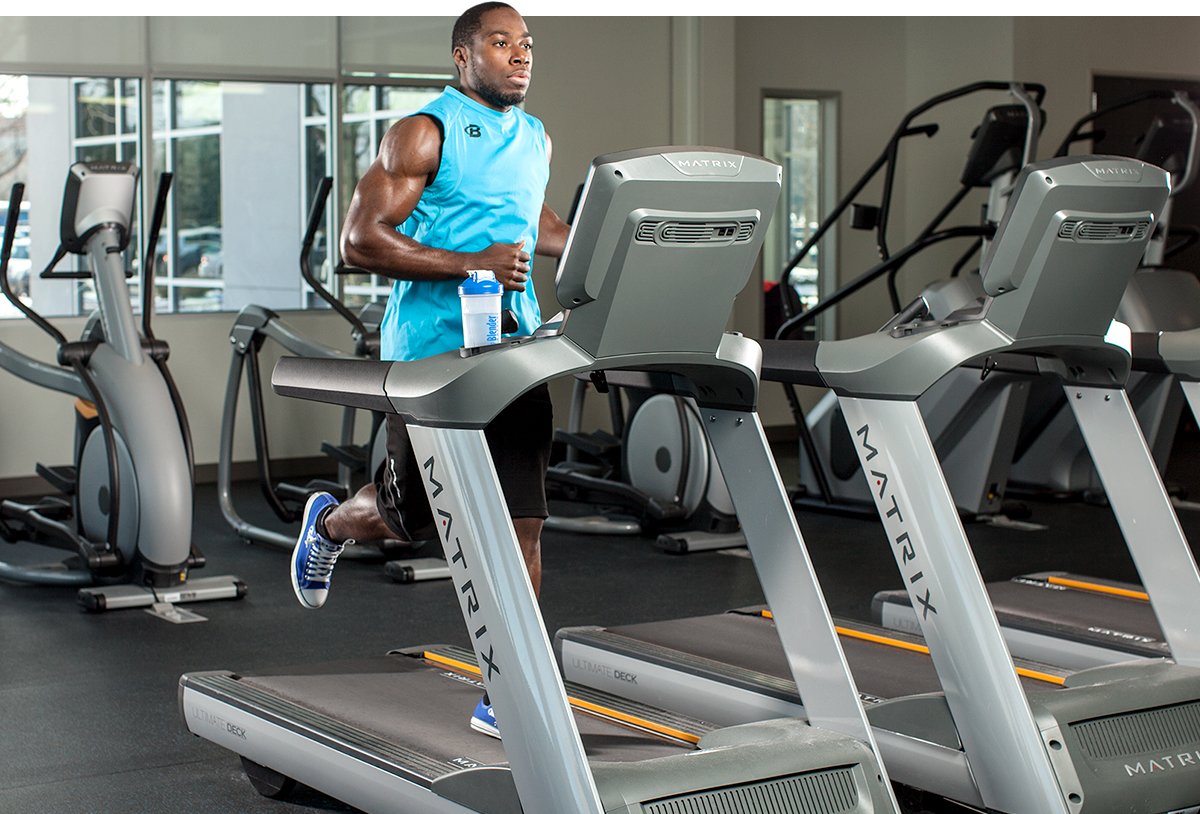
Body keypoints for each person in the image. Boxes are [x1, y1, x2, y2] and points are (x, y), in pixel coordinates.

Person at [288, 1, 569, 740]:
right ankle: (334, 522)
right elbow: (359, 241)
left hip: (515, 350)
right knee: (416, 518)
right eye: (501, 42)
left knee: (522, 526)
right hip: (432, 358)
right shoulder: (424, 133)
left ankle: (505, 691)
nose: (520, 55)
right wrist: (469, 263)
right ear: (462, 56)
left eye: (526, 43)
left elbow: (536, 226)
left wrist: (618, 247)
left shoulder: (535, 137)